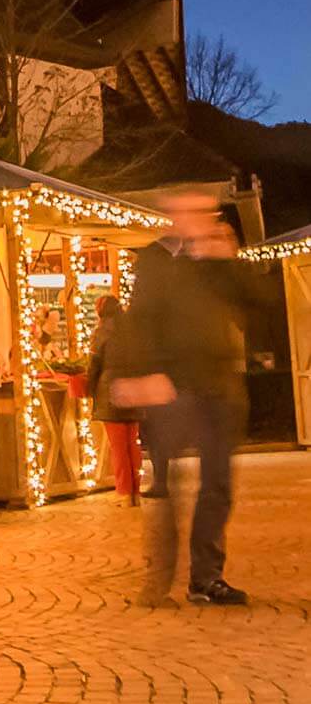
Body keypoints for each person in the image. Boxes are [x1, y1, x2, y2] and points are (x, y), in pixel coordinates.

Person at [115, 191, 262, 606]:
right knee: (166, 485)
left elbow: (257, 301)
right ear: (174, 216)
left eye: (205, 211)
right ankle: (157, 581)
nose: (201, 218)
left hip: (219, 386)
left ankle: (206, 578)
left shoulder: (217, 262)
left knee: (217, 483)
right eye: (191, 211)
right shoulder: (156, 259)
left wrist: (229, 260)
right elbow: (139, 319)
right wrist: (136, 374)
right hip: (172, 387)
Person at [84, 294, 141, 507]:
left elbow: (94, 363)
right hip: (132, 390)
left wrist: (89, 388)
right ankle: (136, 492)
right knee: (133, 445)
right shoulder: (133, 331)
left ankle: (124, 493)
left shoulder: (101, 333)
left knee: (118, 447)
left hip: (110, 392)